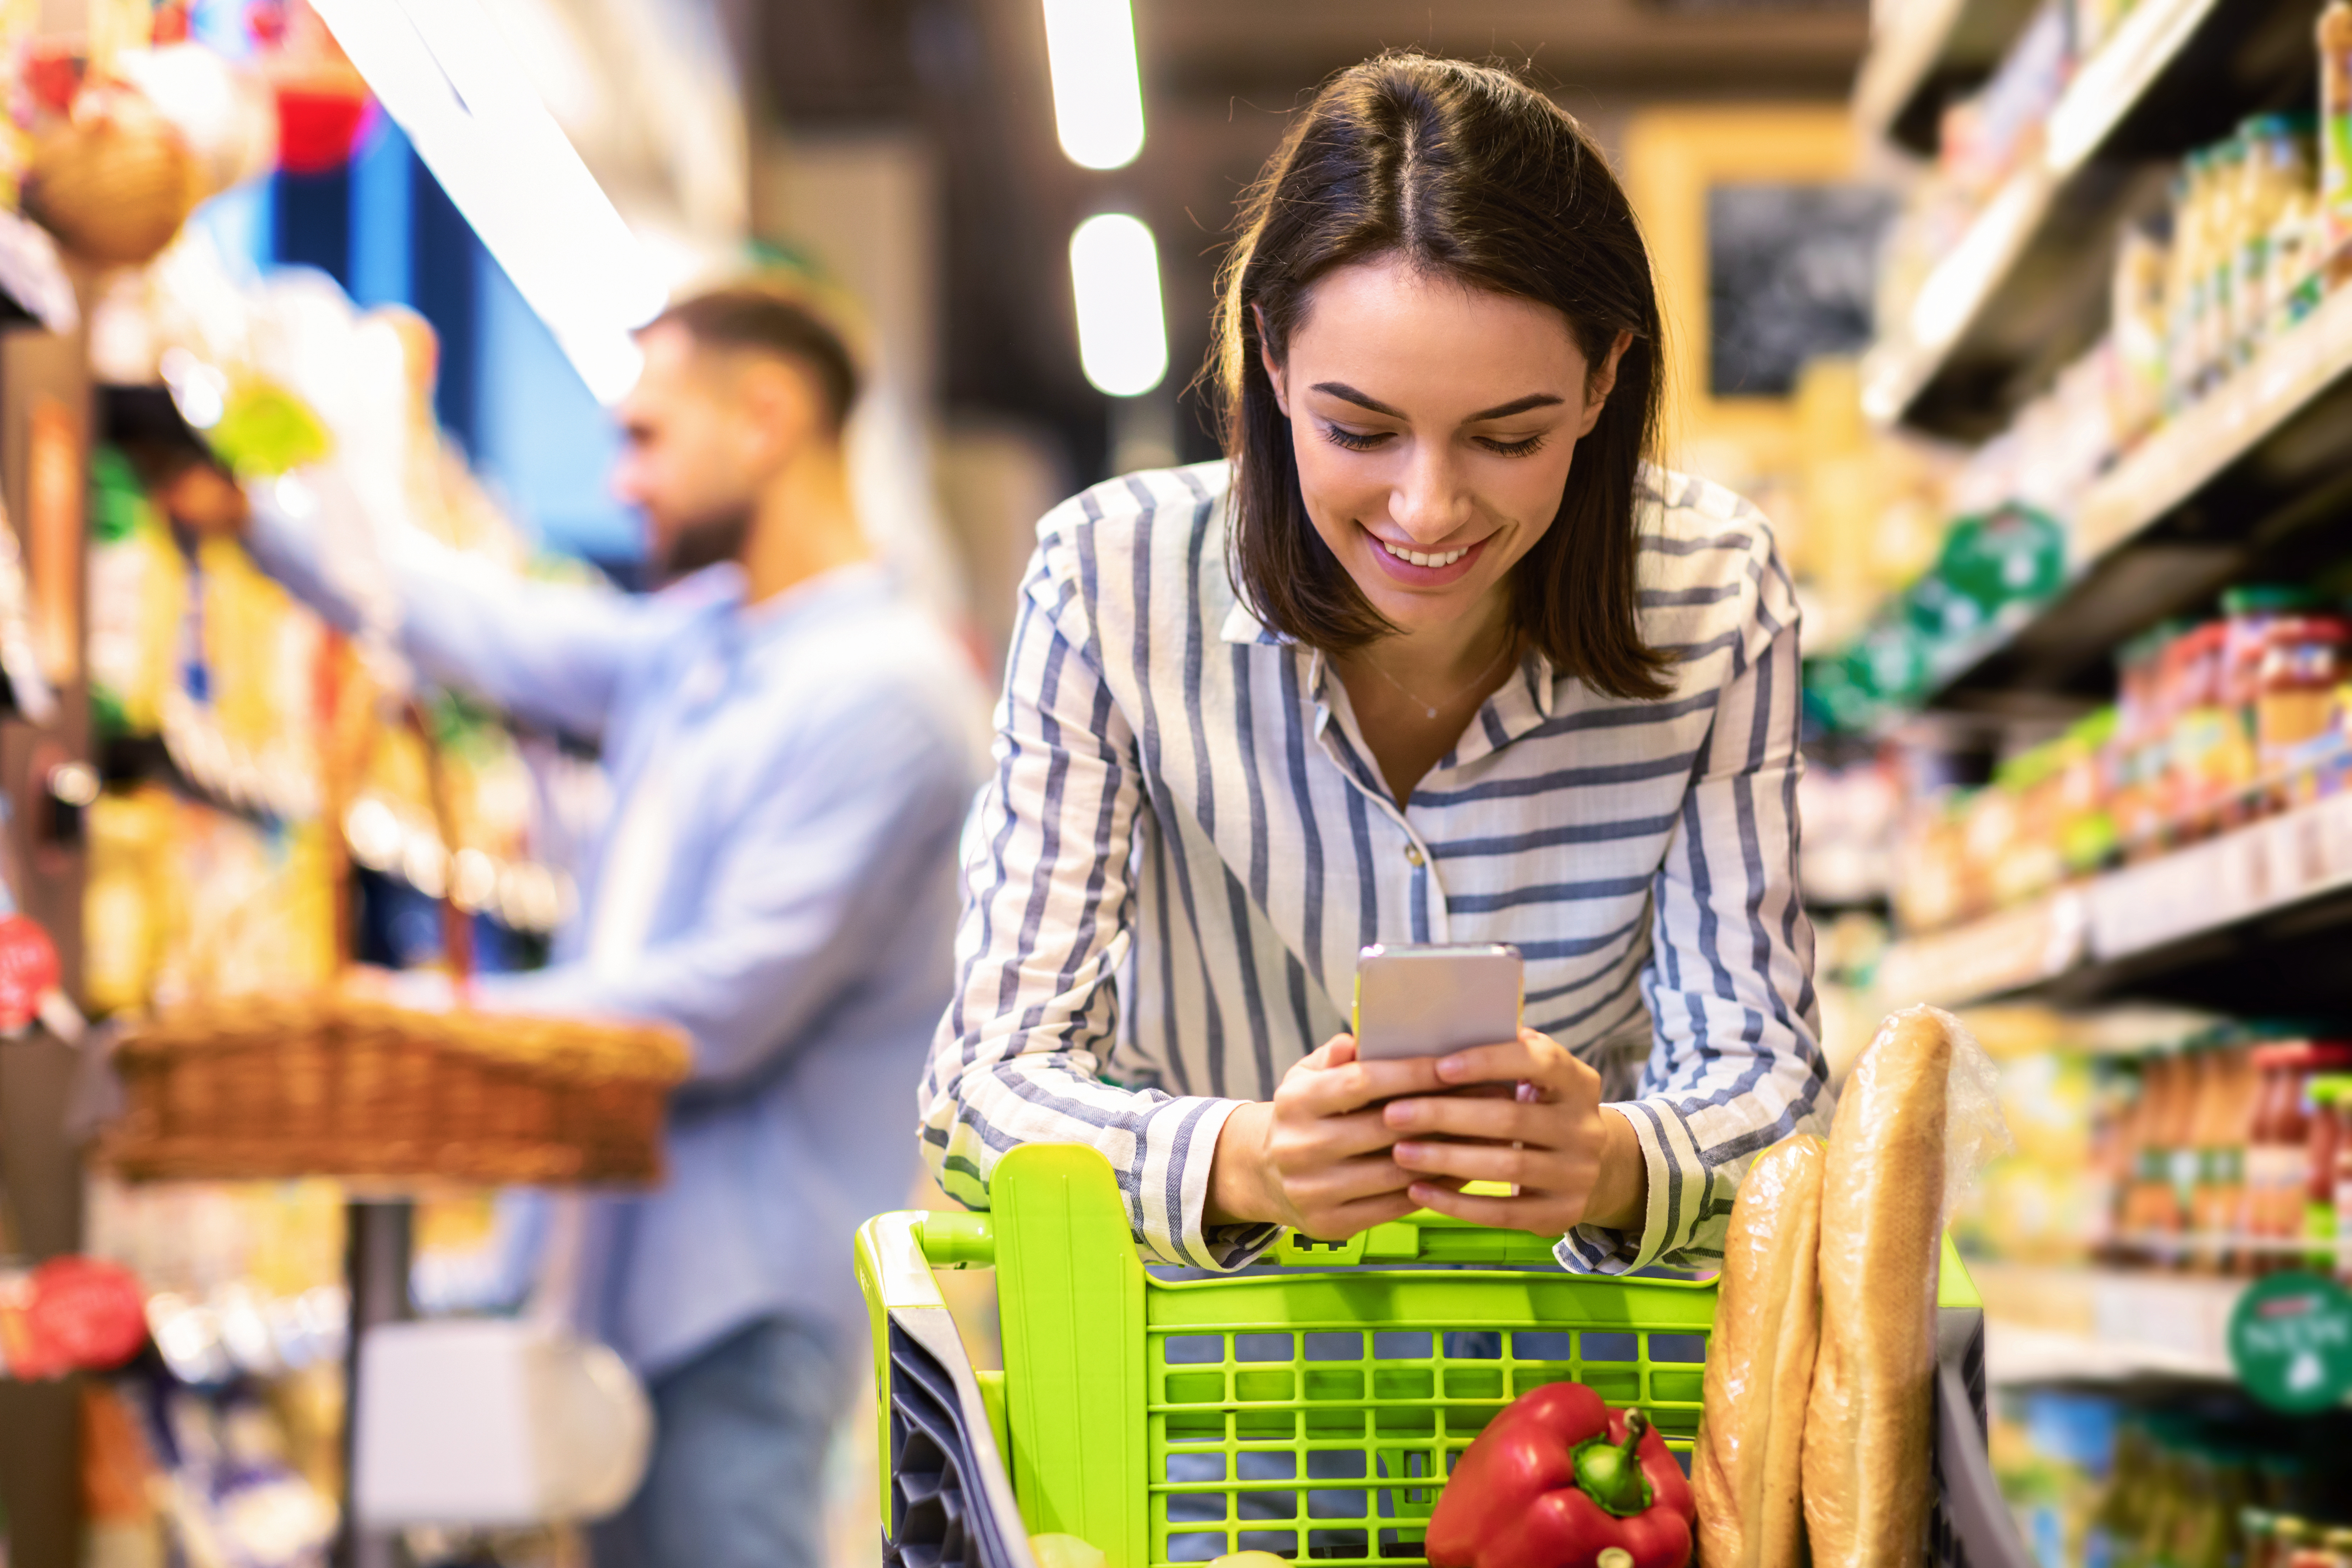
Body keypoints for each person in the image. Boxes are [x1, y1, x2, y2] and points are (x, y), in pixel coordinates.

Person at [921, 54, 1827, 1276]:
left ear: (1606, 379)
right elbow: (981, 1092)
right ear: (1273, 362)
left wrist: (1614, 1162)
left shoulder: (1713, 595)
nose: (1428, 506)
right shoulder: (1109, 583)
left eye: (1508, 436)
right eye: (1359, 430)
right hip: (1205, 1393)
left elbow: (1770, 1087)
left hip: (1581, 1400)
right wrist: (1244, 1158)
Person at [163, 287, 987, 1568]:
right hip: (615, 1286)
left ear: (768, 419)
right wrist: (260, 515)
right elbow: (492, 629)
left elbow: (723, 1006)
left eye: (648, 436)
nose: (623, 480)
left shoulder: (890, 696)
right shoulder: (703, 646)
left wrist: (434, 1019)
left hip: (743, 1312)